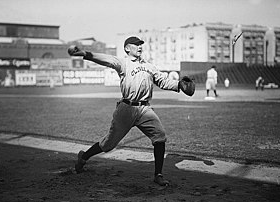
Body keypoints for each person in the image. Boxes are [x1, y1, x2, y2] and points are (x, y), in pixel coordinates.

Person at [68, 36, 194, 186]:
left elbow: (163, 81)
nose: (140, 47)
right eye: (136, 45)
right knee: (108, 144)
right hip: (126, 109)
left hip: (144, 109)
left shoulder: (149, 66)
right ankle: (84, 156)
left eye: (141, 44)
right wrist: (84, 54)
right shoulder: (123, 63)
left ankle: (158, 175)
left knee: (159, 136)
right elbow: (105, 59)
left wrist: (179, 85)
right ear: (127, 48)